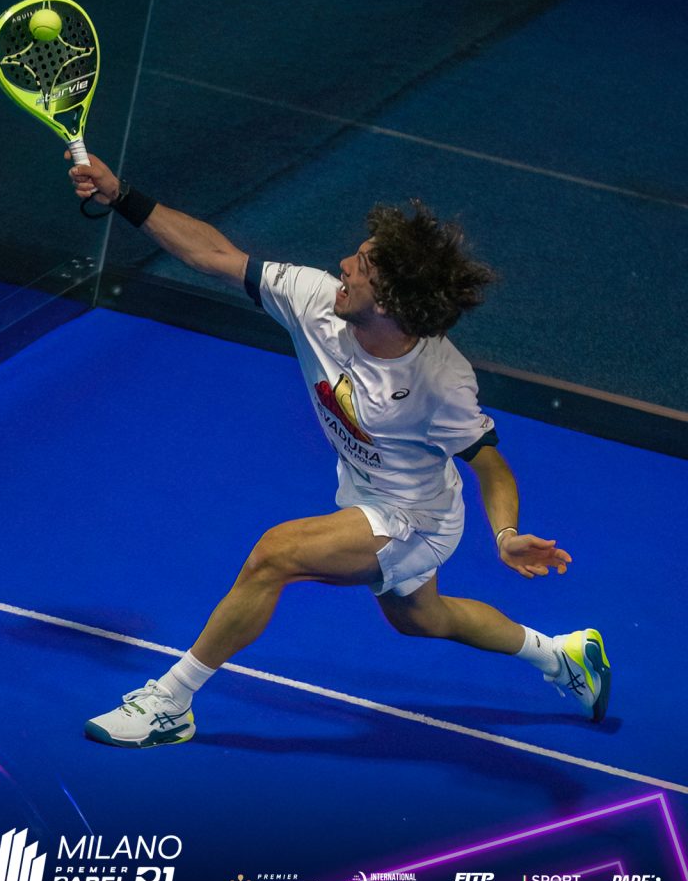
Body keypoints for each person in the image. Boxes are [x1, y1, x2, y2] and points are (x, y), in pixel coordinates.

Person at [68, 154, 611, 748]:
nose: (343, 266)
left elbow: (491, 465)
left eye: (362, 267)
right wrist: (122, 195)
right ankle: (560, 654)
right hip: (362, 490)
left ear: (390, 302)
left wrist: (505, 535)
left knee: (275, 553)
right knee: (423, 619)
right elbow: (214, 254)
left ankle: (172, 703)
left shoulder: (440, 380)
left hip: (416, 518)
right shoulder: (314, 300)